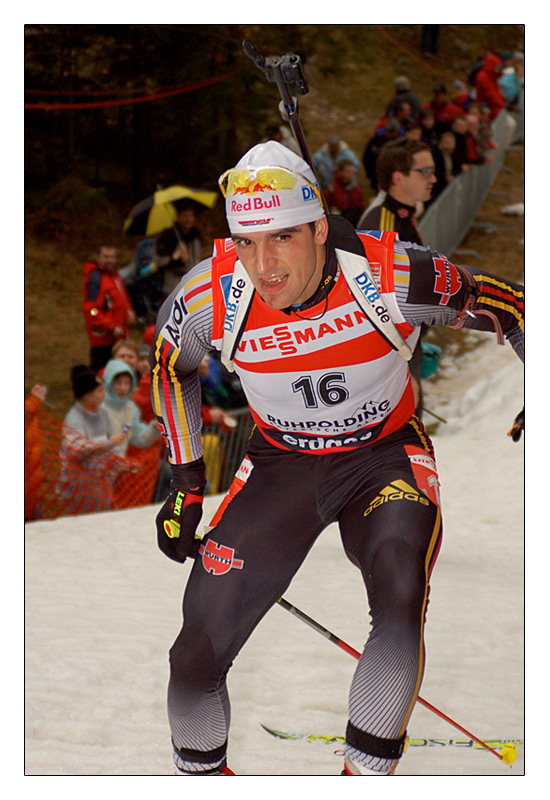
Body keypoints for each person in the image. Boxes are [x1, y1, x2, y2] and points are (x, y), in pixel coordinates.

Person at [150, 140, 524, 776]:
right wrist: (186, 482)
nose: (264, 265)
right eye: (246, 242)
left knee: (400, 586)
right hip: (281, 465)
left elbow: (514, 304)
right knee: (195, 653)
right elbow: (170, 368)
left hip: (384, 457)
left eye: (283, 238)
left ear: (321, 229)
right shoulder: (211, 296)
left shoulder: (393, 277)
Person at [356, 138, 438, 416]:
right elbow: (375, 299)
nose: (434, 178)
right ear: (398, 177)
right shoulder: (383, 225)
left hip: (406, 342)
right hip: (393, 351)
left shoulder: (400, 216)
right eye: (425, 172)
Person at [82, 245, 136, 372]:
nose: (109, 260)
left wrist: (128, 311)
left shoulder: (113, 276)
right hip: (104, 339)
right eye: (106, 257)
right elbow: (91, 310)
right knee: (102, 373)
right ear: (98, 257)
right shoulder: (95, 278)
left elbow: (121, 300)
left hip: (119, 336)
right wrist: (110, 326)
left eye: (112, 257)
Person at [100, 359, 159, 457]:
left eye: (127, 383)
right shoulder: (99, 405)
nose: (123, 388)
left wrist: (154, 428)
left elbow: (138, 438)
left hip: (118, 465)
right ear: (109, 383)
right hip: (96, 465)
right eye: (118, 383)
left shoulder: (131, 408)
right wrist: (109, 441)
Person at [324, 158, 365, 227]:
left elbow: (361, 209)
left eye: (352, 172)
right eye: (348, 172)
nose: (351, 175)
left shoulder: (356, 190)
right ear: (340, 172)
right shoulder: (331, 190)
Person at [474, 53, 506, 121]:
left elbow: (496, 91)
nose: (498, 68)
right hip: (488, 106)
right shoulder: (483, 77)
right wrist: (502, 105)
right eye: (497, 66)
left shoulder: (493, 76)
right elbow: (491, 94)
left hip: (494, 106)